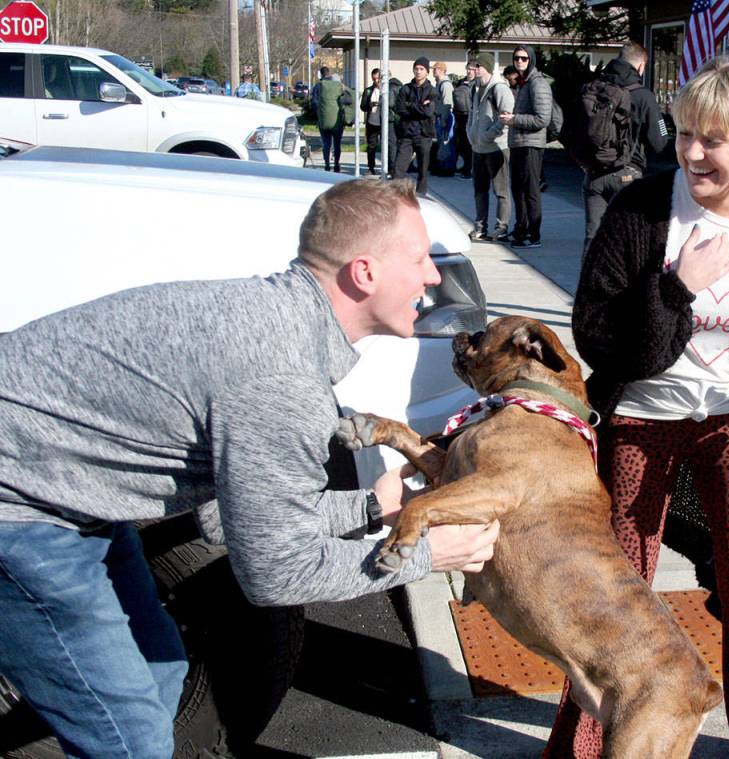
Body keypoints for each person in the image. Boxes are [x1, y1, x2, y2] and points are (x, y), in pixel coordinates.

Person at [0, 179, 500, 757]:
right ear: (364, 273)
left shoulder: (272, 320)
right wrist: (431, 555)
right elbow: (277, 575)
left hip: (65, 492)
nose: (433, 278)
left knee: (159, 675)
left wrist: (373, 506)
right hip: (21, 507)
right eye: (419, 260)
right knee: (128, 738)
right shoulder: (279, 377)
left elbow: (225, 520)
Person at [544, 54, 729, 759]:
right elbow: (598, 337)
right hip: (642, 423)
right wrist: (675, 287)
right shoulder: (642, 210)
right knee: (617, 593)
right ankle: (587, 744)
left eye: (714, 138)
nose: (692, 151)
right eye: (685, 134)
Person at [581, 41, 669, 253]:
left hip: (594, 174)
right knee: (631, 239)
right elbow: (660, 142)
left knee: (593, 237)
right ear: (640, 66)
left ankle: (587, 285)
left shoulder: (595, 89)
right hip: (628, 175)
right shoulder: (643, 96)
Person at [499, 45, 552, 249]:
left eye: (524, 58)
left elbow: (542, 119)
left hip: (531, 144)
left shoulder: (537, 84)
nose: (519, 61)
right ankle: (521, 229)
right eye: (516, 58)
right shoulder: (523, 83)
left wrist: (515, 119)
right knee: (518, 189)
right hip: (519, 143)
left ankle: (534, 234)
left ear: (531, 60)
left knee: (530, 191)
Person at [467, 53, 514, 242]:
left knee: (500, 190)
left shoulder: (499, 89)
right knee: (479, 190)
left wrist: (489, 134)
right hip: (477, 147)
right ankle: (480, 226)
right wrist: (470, 132)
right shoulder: (474, 89)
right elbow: (472, 114)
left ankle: (501, 227)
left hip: (496, 147)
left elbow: (506, 117)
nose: (474, 69)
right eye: (472, 66)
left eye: (478, 65)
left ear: (486, 67)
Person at [395, 57, 439, 195]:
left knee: (423, 170)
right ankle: (395, 196)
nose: (418, 72)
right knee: (398, 168)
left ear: (427, 72)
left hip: (424, 134)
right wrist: (419, 106)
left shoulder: (432, 91)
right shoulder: (405, 89)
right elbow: (399, 108)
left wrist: (410, 106)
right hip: (407, 134)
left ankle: (421, 196)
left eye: (421, 69)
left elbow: (428, 112)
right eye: (416, 69)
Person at [313, 66, 354, 173]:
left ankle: (327, 164)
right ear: (329, 74)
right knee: (337, 144)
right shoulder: (338, 86)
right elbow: (348, 99)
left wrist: (320, 113)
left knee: (326, 143)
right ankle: (336, 164)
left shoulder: (318, 86)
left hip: (323, 121)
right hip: (337, 120)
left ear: (321, 74)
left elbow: (314, 102)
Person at [453, 59, 478, 179]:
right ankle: (465, 167)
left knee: (469, 145)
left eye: (473, 69)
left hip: (471, 116)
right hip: (459, 116)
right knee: (461, 144)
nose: (470, 72)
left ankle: (469, 169)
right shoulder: (460, 83)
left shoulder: (478, 84)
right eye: (468, 69)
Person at [360, 67, 384, 175]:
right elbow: (362, 107)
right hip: (372, 122)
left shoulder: (385, 91)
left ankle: (386, 167)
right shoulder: (368, 90)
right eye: (374, 79)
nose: (376, 81)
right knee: (371, 146)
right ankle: (371, 167)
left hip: (383, 122)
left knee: (385, 145)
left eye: (378, 79)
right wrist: (369, 105)